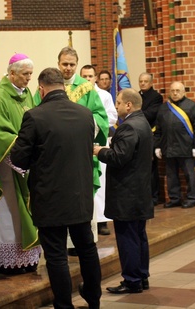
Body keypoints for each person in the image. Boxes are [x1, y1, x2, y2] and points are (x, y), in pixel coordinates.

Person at [11, 68, 102, 309]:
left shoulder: (35, 116)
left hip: (50, 198)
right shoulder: (85, 115)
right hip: (81, 196)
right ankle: (94, 299)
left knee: (56, 255)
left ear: (41, 89)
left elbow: (19, 159)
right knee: (87, 248)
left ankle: (64, 306)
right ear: (63, 86)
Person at [34, 47, 109, 255]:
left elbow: (101, 118)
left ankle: (80, 245)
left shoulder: (86, 88)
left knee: (81, 198)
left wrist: (81, 127)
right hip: (54, 156)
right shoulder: (46, 86)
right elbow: (35, 113)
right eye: (64, 64)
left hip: (79, 154)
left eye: (72, 64)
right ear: (58, 63)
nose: (68, 68)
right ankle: (60, 245)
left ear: (77, 65)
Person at [0, 53, 41, 275]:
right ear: (12, 73)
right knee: (9, 212)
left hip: (26, 164)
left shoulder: (27, 96)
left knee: (26, 210)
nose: (28, 79)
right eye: (25, 74)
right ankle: (8, 260)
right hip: (6, 166)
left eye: (31, 75)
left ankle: (27, 257)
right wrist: (23, 152)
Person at [93, 88, 154, 294]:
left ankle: (131, 280)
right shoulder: (143, 122)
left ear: (128, 105)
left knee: (127, 237)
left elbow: (119, 157)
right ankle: (142, 276)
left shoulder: (128, 126)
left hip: (127, 193)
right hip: (139, 191)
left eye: (118, 102)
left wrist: (100, 151)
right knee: (139, 236)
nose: (116, 105)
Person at [154, 81, 195, 208]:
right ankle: (174, 198)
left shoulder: (192, 106)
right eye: (172, 91)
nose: (175, 93)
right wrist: (157, 146)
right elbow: (158, 129)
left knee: (189, 175)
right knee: (171, 176)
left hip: (186, 147)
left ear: (184, 92)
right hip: (168, 147)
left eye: (178, 91)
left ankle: (192, 198)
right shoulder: (164, 108)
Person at [80, 64, 117, 235]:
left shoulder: (104, 95)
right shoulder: (75, 93)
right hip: (79, 143)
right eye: (84, 76)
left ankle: (102, 221)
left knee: (100, 182)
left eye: (90, 76)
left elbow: (111, 116)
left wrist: (91, 122)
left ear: (95, 78)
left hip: (98, 141)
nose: (87, 79)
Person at [138, 72, 163, 205]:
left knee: (151, 169)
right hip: (138, 135)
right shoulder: (136, 95)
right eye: (141, 81)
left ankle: (153, 196)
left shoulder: (156, 97)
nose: (142, 83)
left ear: (151, 83)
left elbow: (151, 114)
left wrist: (135, 113)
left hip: (150, 134)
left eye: (145, 81)